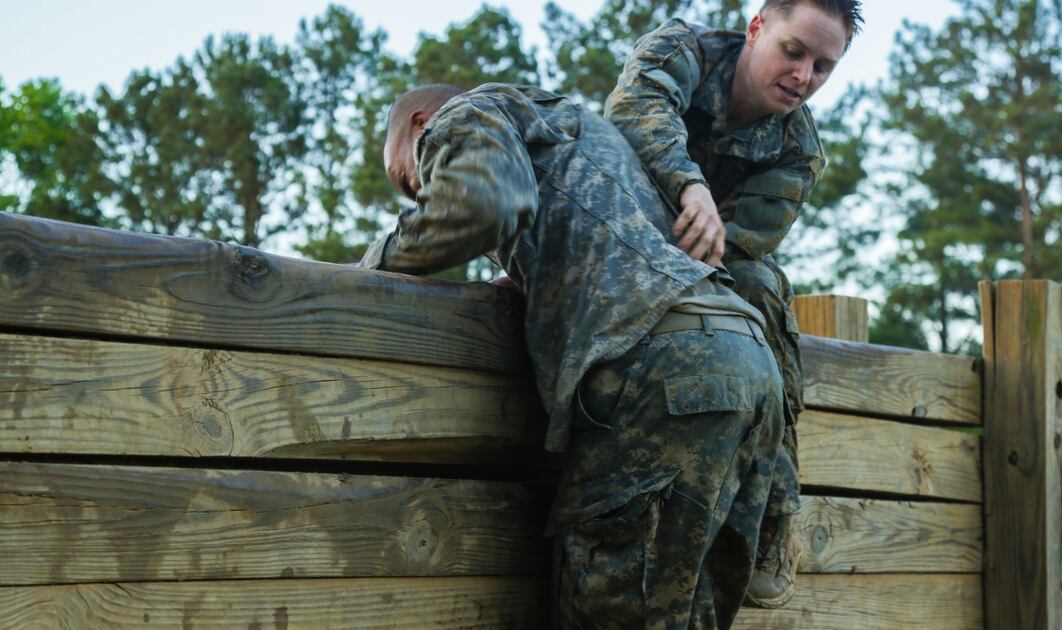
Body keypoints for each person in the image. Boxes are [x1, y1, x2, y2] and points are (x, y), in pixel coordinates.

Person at [361, 82, 785, 628]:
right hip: (748, 362)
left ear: (420, 123)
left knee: (609, 611)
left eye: (406, 178)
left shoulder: (468, 111)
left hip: (668, 373)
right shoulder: (587, 135)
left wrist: (368, 267)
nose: (416, 194)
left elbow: (486, 205)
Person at [604, 0, 863, 607]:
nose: (804, 77)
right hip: (611, 227)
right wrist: (689, 186)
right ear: (756, 29)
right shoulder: (681, 52)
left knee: (764, 290)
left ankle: (775, 509)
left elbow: (742, 243)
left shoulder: (798, 149)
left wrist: (699, 236)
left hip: (699, 273)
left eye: (824, 67)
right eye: (793, 51)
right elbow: (633, 111)